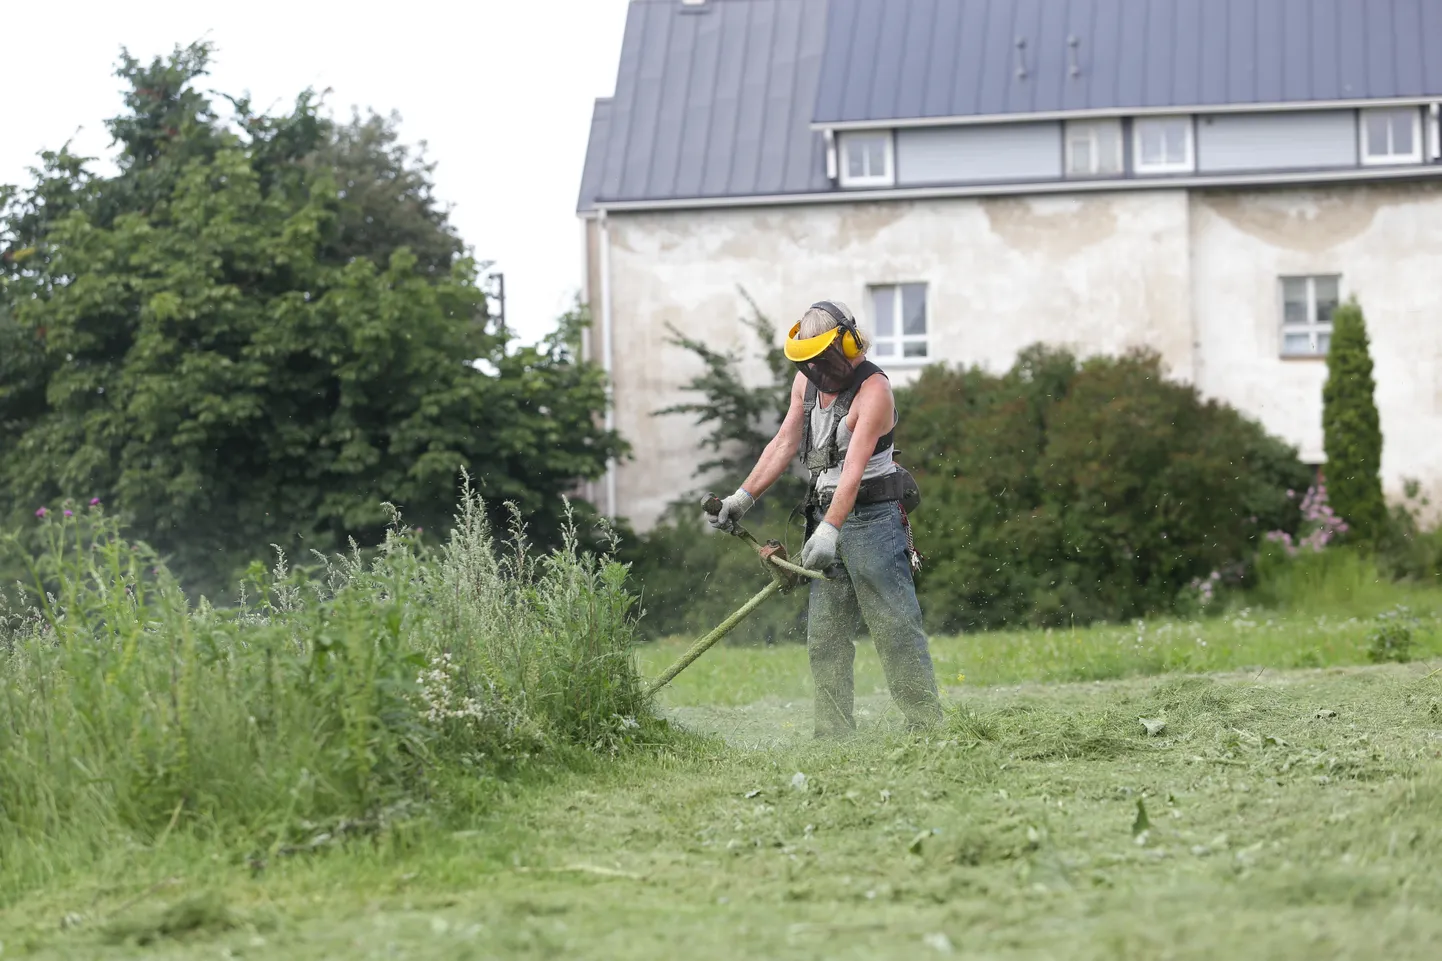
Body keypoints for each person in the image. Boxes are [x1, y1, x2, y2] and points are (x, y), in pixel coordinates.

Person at [706, 300, 943, 736]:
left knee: (894, 628)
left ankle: (926, 726)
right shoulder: (807, 382)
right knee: (826, 638)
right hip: (824, 515)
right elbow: (783, 442)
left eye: (822, 359)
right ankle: (833, 734)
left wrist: (830, 529)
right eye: (808, 362)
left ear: (848, 343)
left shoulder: (874, 391)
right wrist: (742, 498)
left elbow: (853, 471)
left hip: (872, 519)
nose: (816, 370)